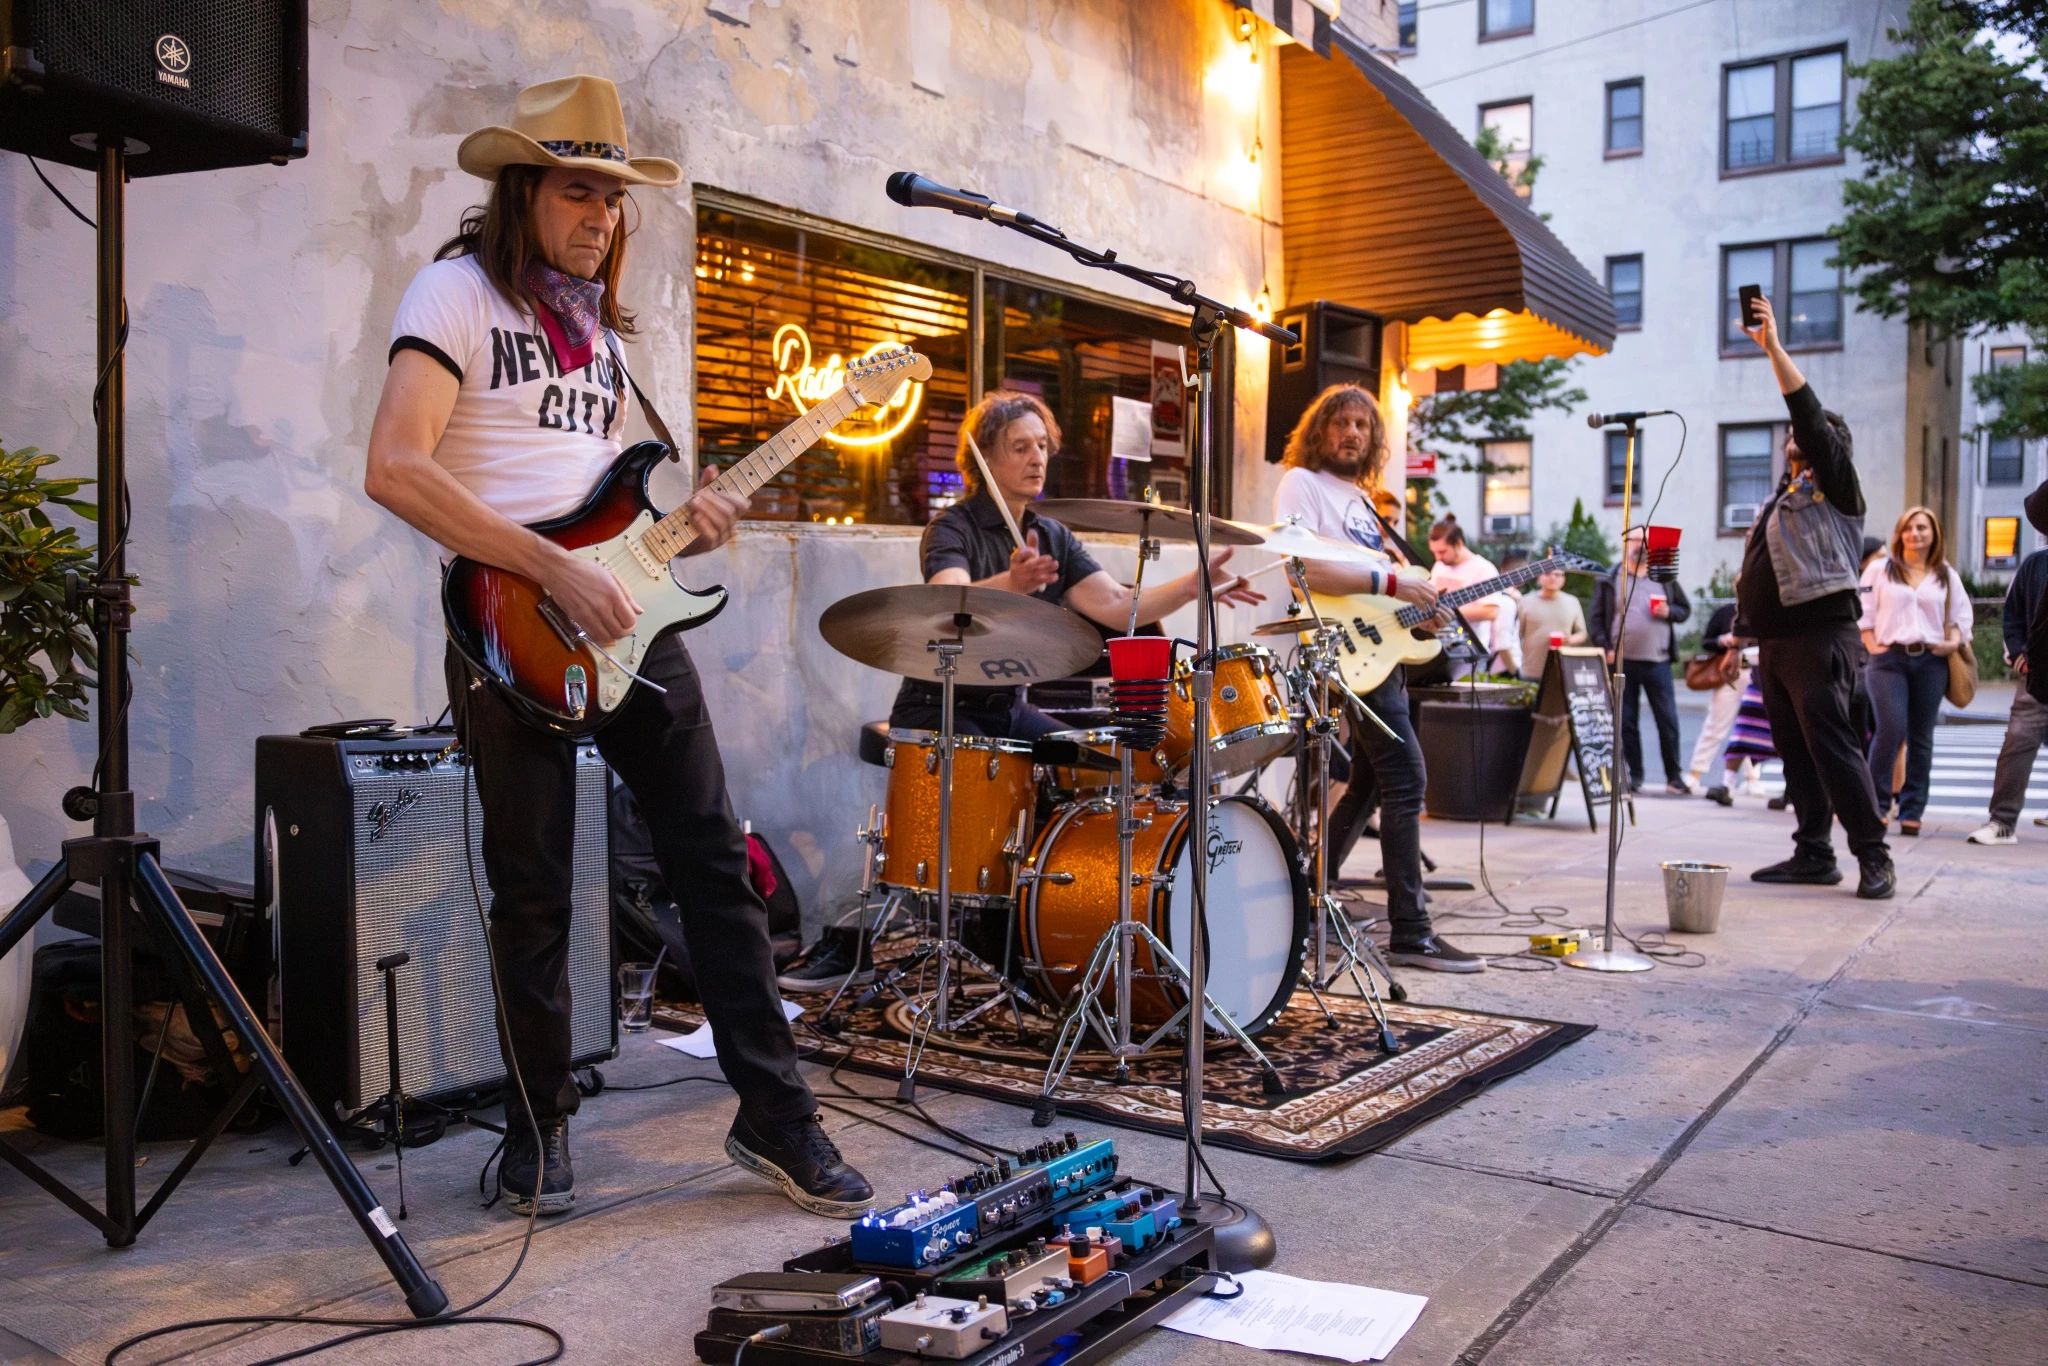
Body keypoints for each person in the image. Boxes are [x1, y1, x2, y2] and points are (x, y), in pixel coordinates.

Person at [364, 75, 873, 1217]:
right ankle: (537, 1131)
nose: (601, 216)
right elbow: (395, 468)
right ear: (523, 192)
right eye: (579, 192)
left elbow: (604, 495)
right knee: (534, 890)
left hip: (629, 618)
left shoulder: (602, 337)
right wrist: (553, 569)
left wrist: (692, 523)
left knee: (714, 862)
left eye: (614, 199)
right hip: (511, 624)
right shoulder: (451, 297)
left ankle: (777, 1120)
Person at [886, 390, 1262, 738]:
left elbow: (1115, 604)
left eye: (1042, 445)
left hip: (1010, 706)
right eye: (1020, 448)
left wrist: (1188, 587)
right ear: (983, 458)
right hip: (940, 708)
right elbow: (947, 599)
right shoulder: (952, 527)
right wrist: (1012, 584)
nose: (1037, 458)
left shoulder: (1052, 535)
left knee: (1089, 760)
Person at [1272, 384, 1482, 972]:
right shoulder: (1302, 483)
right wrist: (1393, 586)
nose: (1352, 434)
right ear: (1319, 430)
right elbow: (1303, 568)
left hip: (1380, 652)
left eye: (1363, 425)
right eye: (1340, 423)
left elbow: (1384, 586)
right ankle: (1412, 932)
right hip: (1342, 649)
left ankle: (1308, 900)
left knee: (1367, 783)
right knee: (1407, 776)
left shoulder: (1363, 503)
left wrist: (1424, 608)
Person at [1733, 294, 1893, 898]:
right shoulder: (1784, 497)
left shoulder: (1837, 489)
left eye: (1810, 435)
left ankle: (1874, 856)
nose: (1796, 440)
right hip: (1775, 644)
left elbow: (1806, 414)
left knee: (1833, 750)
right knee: (1796, 753)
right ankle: (1813, 853)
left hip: (1819, 637)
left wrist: (1774, 347)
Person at [1859, 507, 1972, 836]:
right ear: (1899, 534)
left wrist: (1952, 642)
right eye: (1908, 528)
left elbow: (1962, 617)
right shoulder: (1880, 569)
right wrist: (1871, 643)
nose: (1915, 534)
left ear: (1934, 533)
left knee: (1921, 737)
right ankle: (1877, 806)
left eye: (1922, 528)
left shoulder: (1944, 574)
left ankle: (1912, 811)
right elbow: (1862, 611)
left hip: (1930, 661)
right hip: (1888, 660)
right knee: (1890, 729)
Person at [1969, 488, 2048, 844]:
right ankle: (2002, 822)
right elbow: (2013, 615)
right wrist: (2019, 655)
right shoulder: (2035, 564)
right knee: (2018, 742)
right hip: (2037, 674)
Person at [1590, 527, 1693, 794]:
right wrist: (1604, 645)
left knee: (1667, 719)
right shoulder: (1610, 577)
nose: (1641, 545)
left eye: (1645, 541)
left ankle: (1674, 776)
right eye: (1636, 540)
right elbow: (1597, 618)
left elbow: (1685, 610)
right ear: (1625, 543)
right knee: (1626, 721)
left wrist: (1669, 611)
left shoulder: (1664, 576)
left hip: (1657, 660)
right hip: (1622, 661)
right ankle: (1635, 776)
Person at [1426, 517, 1506, 678]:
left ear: (1459, 544)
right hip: (1440, 647)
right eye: (1434, 552)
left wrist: (1448, 610)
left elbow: (1491, 612)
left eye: (1442, 552)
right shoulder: (1439, 566)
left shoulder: (1484, 569)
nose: (1438, 558)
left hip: (1470, 652)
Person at [1685, 600, 1748, 800]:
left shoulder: (1761, 609)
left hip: (1756, 672)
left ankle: (1752, 777)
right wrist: (1723, 641)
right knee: (1716, 724)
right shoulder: (1725, 612)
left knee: (1751, 726)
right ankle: (1695, 773)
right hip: (1727, 672)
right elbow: (1707, 641)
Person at [1517, 566, 1588, 682]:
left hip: (1562, 670)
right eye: (1548, 573)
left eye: (1557, 574)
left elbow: (1582, 634)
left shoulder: (1572, 602)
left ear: (1563, 579)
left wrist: (1569, 639)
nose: (1552, 578)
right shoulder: (1525, 602)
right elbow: (1515, 636)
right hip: (1530, 671)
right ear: (1539, 577)